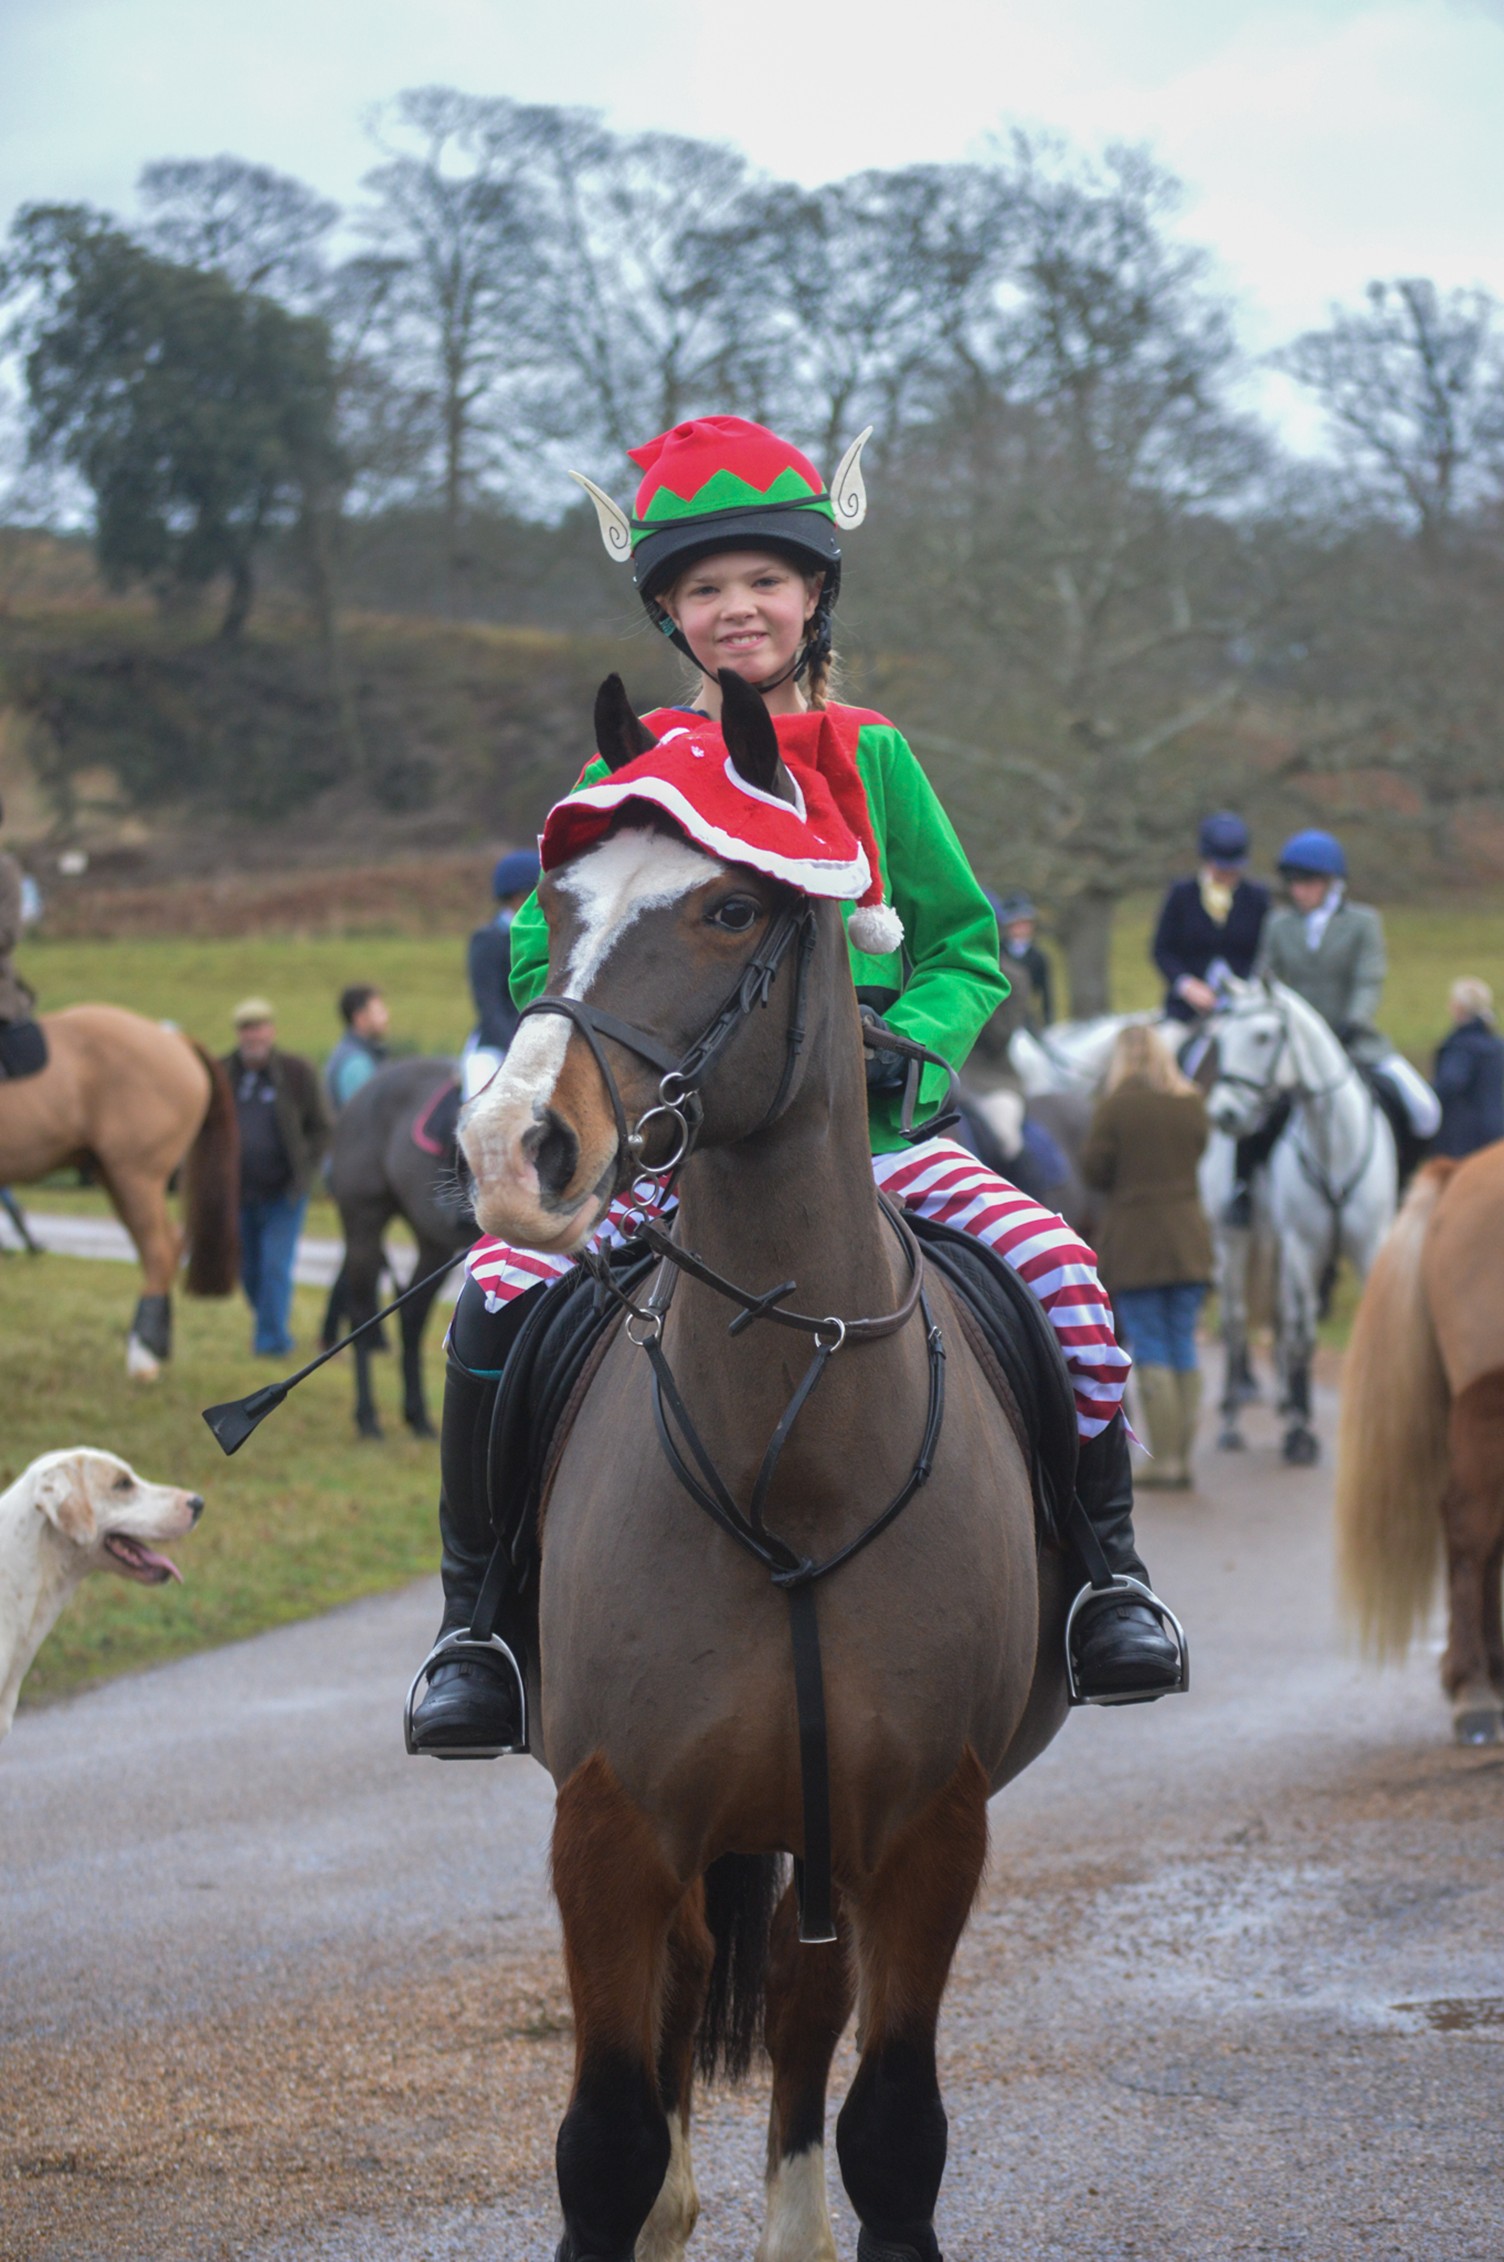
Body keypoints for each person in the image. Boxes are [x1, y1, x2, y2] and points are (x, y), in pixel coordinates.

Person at [406, 413, 1186, 1757]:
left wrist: (911, 1034)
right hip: (683, 1156)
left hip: (878, 1144)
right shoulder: (625, 769)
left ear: (814, 591)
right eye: (704, 589)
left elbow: (957, 938)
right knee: (499, 1291)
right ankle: (475, 1625)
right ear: (669, 614)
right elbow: (551, 940)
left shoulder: (876, 757)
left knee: (1060, 1266)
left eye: (763, 580)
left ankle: (1109, 1579)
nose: (737, 608)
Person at [1255, 830, 1439, 1182]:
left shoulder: (1362, 922)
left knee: (1424, 1108)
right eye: (1293, 883)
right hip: (1298, 1047)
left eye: (1308, 882)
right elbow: (1268, 980)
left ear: (1330, 883)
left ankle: (1402, 1180)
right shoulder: (1278, 925)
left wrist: (1354, 1019)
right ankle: (1244, 1191)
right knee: (1253, 1113)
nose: (1299, 891)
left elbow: (1368, 979)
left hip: (1354, 1038)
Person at [1083, 1026, 1213, 1489]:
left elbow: (1094, 1170)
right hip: (1190, 1238)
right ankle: (1182, 1455)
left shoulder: (1116, 1108)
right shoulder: (1192, 1105)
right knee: (1183, 1341)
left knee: (1151, 1342)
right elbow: (1199, 1153)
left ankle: (1164, 1461)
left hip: (1137, 1243)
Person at [222, 999, 330, 1358]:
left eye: (260, 1027)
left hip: (283, 1194)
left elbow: (322, 1127)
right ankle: (271, 1326)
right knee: (247, 1270)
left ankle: (271, 1342)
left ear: (272, 1031)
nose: (254, 1035)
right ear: (239, 1034)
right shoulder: (223, 1074)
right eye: (247, 1028)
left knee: (273, 1267)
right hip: (237, 1194)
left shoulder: (296, 1072)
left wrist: (306, 1172)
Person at [1153, 812, 1269, 1023]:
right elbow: (1162, 950)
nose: (1227, 874)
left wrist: (1245, 987)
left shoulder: (1257, 898)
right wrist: (1186, 985)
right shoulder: (1182, 895)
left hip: (1244, 1011)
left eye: (1233, 868)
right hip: (1186, 1012)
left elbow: (1264, 952)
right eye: (1221, 867)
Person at [463, 848, 542, 1100]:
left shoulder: (548, 938)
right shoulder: (488, 941)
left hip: (542, 1043)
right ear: (520, 898)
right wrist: (521, 1052)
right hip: (497, 1046)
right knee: (478, 1105)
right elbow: (489, 1006)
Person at [1433, 978, 1504, 1159]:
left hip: (1465, 1142)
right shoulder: (1497, 1046)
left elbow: (1449, 1084)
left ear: (1458, 1008)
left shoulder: (1462, 1047)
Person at [324, 984, 391, 1113]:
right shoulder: (356, 1063)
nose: (386, 1016)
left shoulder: (354, 1053)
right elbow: (365, 1116)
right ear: (360, 1018)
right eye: (379, 1012)